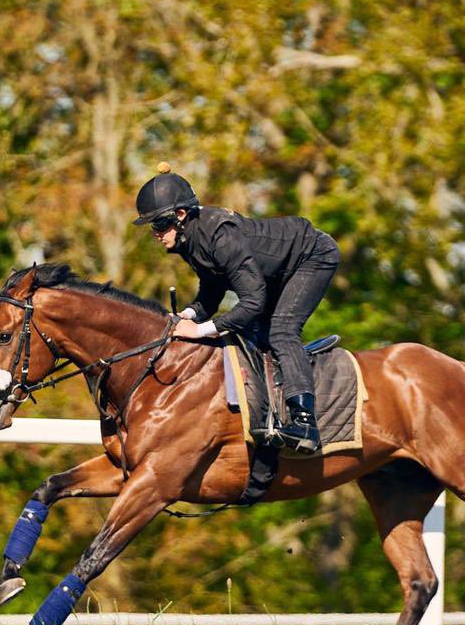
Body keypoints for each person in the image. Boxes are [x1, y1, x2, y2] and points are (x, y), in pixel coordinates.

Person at [133, 163, 340, 455]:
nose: (155, 233)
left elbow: (253, 302)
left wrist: (199, 330)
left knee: (281, 331)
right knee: (256, 335)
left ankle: (306, 424)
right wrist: (185, 317)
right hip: (276, 272)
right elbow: (211, 291)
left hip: (312, 255)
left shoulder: (219, 236)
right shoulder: (189, 239)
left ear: (180, 215)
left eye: (158, 224)